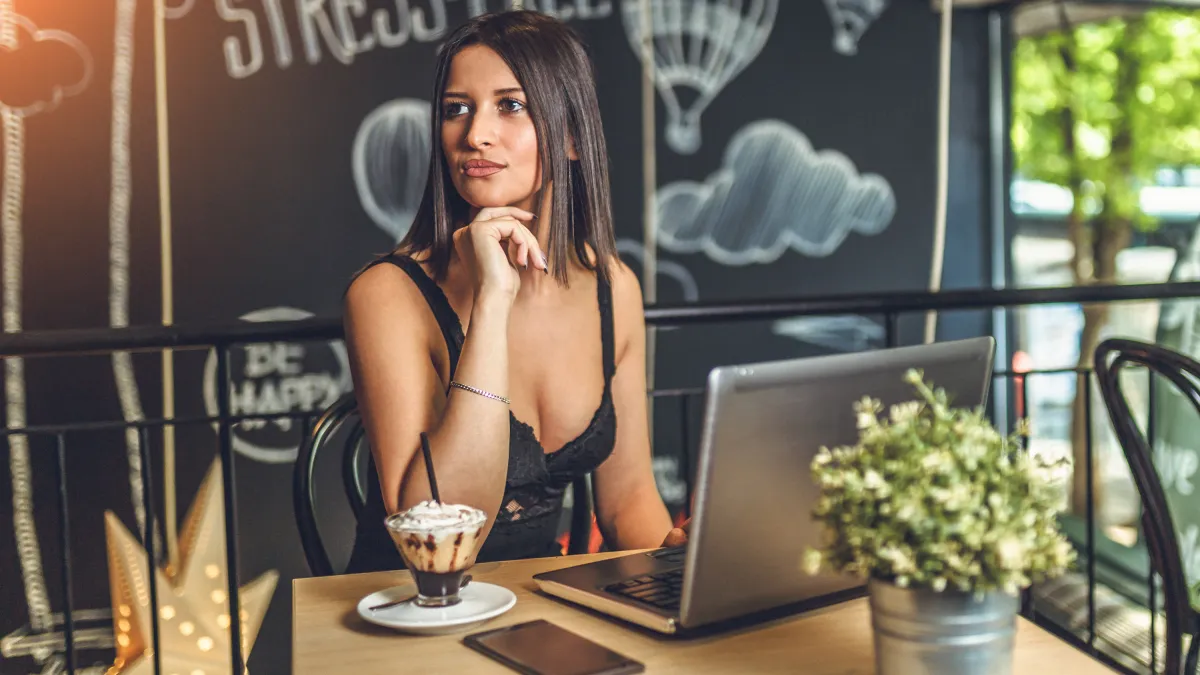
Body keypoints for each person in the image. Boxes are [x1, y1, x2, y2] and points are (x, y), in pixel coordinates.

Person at [343, 10, 687, 573]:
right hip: (411, 612)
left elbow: (627, 504)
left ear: (572, 137)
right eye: (457, 108)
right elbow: (439, 541)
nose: (475, 133)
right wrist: (492, 301)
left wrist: (680, 554)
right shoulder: (387, 294)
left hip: (537, 610)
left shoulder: (613, 288)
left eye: (512, 105)